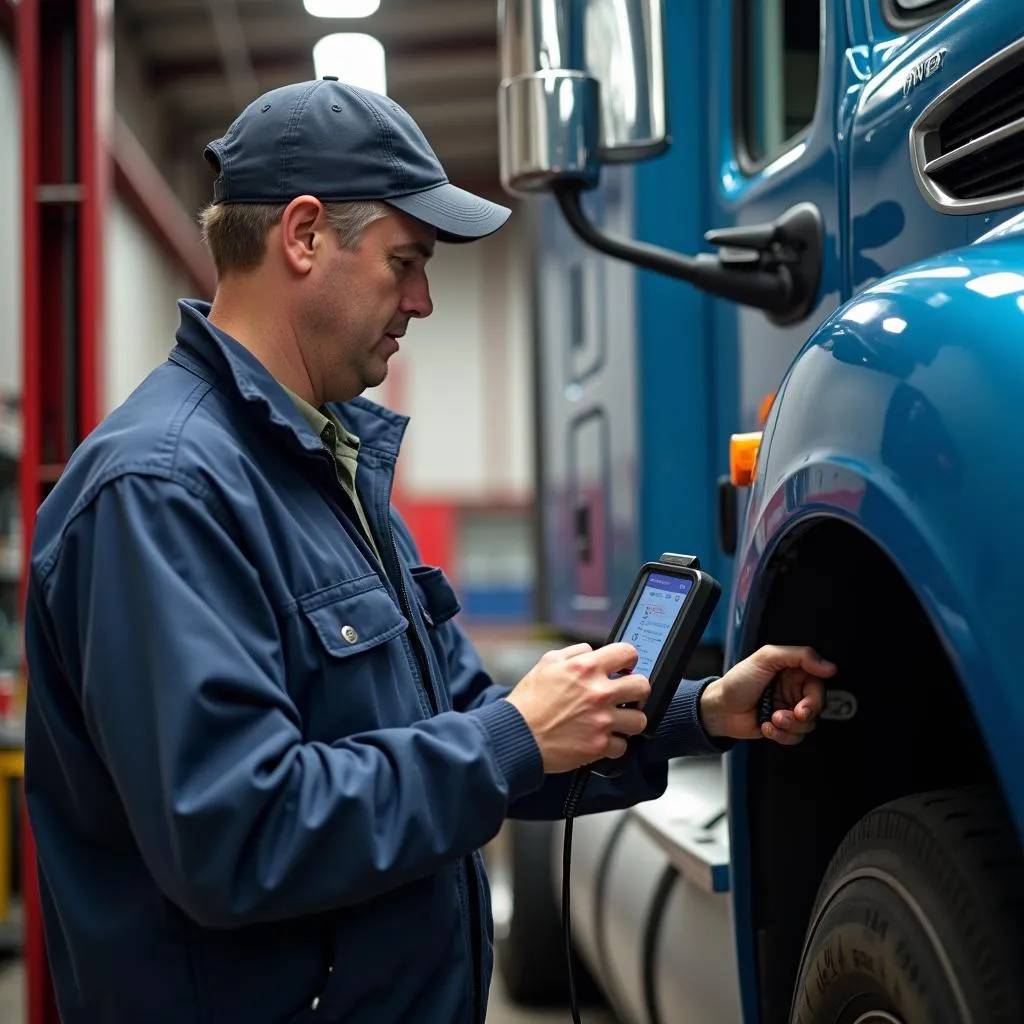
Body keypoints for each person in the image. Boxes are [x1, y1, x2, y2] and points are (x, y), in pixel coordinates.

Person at [22, 79, 837, 1024]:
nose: (422, 300)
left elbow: (462, 720)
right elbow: (236, 835)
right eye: (405, 261)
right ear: (304, 235)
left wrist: (697, 713)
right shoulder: (162, 490)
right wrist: (510, 738)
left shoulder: (330, 467)